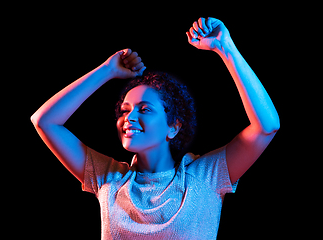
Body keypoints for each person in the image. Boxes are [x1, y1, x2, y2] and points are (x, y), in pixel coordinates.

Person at [31, 17, 280, 239]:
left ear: (173, 127)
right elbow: (44, 121)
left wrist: (226, 49)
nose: (128, 117)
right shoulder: (109, 179)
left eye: (144, 109)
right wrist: (106, 70)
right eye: (124, 110)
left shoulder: (206, 178)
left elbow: (266, 127)